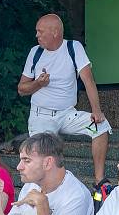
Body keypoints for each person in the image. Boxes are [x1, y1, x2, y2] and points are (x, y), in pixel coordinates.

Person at [17, 13, 110, 184]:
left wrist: (96, 111)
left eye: (40, 31)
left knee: (101, 126)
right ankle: (39, 193)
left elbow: (88, 81)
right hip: (41, 116)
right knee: (40, 159)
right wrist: (38, 83)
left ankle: (99, 180)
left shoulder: (73, 48)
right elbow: (22, 89)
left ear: (55, 32)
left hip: (67, 114)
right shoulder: (35, 52)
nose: (36, 35)